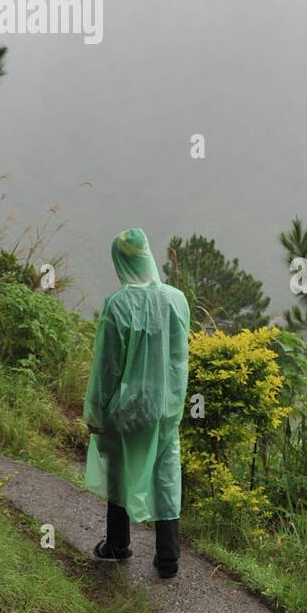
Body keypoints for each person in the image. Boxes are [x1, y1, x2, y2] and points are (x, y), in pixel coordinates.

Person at [83, 227, 190, 578]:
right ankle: (168, 557)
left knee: (119, 468)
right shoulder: (177, 300)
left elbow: (108, 366)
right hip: (165, 406)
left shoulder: (118, 303)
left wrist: (97, 411)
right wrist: (174, 402)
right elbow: (179, 358)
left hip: (127, 408)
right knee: (165, 471)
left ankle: (117, 544)